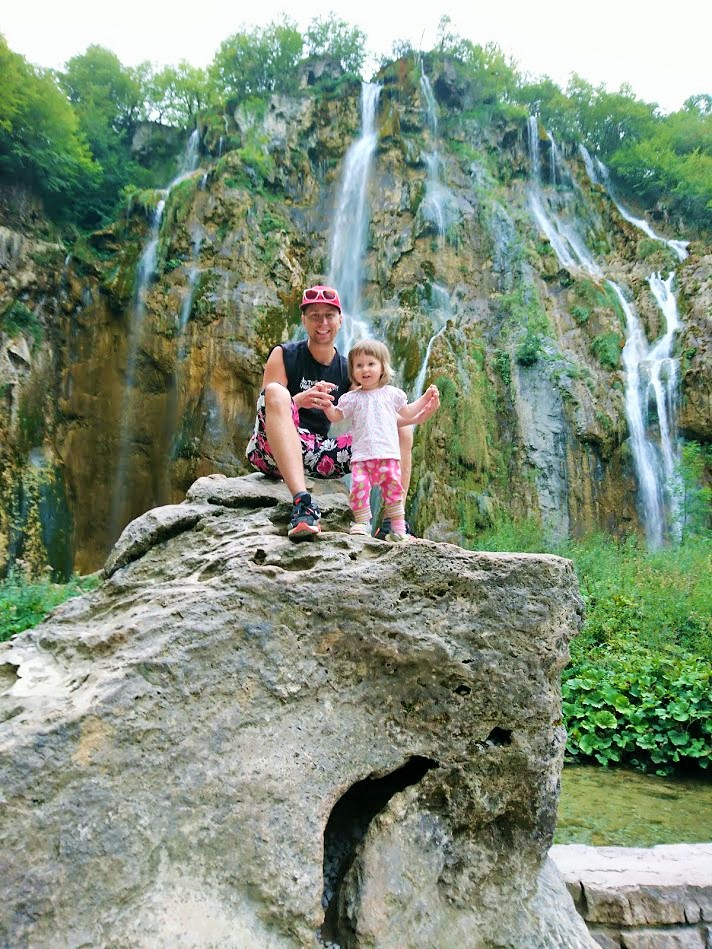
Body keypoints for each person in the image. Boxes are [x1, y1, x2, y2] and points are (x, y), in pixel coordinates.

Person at [245, 284, 439, 540]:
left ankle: (393, 522)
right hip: (271, 450)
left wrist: (416, 416)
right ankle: (303, 504)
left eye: (329, 315)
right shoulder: (284, 355)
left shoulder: (350, 370)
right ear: (304, 320)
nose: (322, 323)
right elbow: (267, 407)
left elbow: (378, 412)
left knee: (401, 430)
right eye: (314, 316)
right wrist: (298, 401)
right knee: (276, 391)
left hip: (319, 454)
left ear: (340, 320)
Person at [323, 339, 440, 541]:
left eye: (371, 364)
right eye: (359, 365)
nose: (365, 369)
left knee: (394, 491)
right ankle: (362, 523)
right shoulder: (352, 398)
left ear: (383, 367)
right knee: (359, 488)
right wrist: (326, 405)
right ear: (352, 371)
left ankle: (398, 528)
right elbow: (336, 416)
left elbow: (408, 411)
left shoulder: (392, 394)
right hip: (362, 457)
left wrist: (425, 398)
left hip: (388, 455)